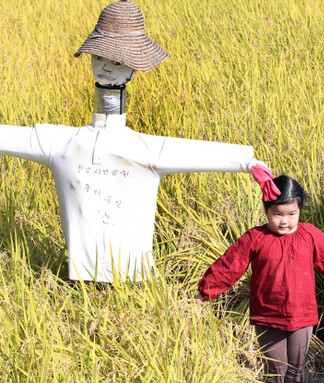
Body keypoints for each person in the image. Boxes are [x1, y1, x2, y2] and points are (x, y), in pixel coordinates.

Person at [0, 0, 278, 282]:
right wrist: (246, 161)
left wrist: (246, 162)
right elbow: (14, 137)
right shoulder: (61, 143)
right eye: (99, 58)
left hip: (134, 280)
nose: (107, 68)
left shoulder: (142, 150)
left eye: (118, 61)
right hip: (79, 280)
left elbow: (195, 152)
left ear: (134, 70)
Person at [196, 175, 324, 383]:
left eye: (292, 214)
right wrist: (204, 293)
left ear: (300, 211)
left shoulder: (310, 234)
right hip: (268, 316)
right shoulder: (255, 237)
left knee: (296, 371)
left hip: (302, 316)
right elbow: (230, 265)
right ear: (266, 210)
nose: (285, 221)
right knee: (275, 371)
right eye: (277, 214)